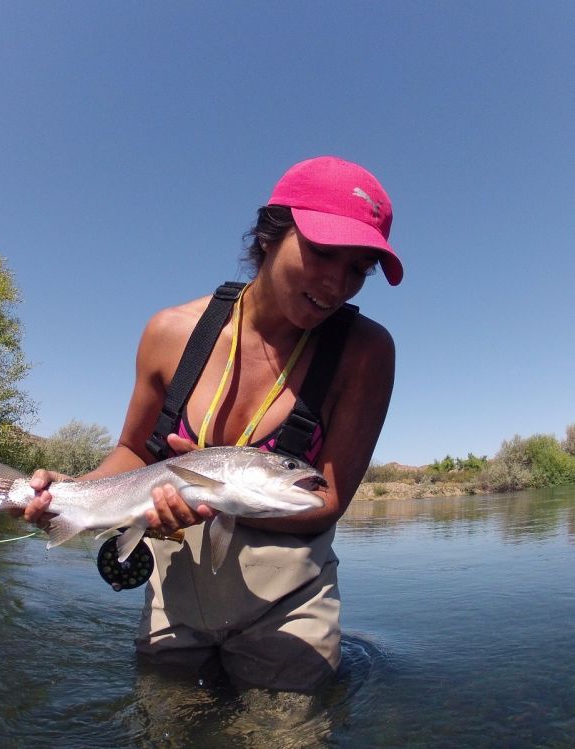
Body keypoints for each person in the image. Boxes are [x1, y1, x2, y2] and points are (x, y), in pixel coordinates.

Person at [23, 156, 403, 691]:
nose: (338, 282)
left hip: (291, 609)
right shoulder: (170, 333)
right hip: (174, 598)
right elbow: (135, 453)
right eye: (321, 252)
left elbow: (327, 501)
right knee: (166, 727)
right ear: (270, 234)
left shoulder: (365, 353)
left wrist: (215, 500)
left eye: (359, 268)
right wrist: (74, 496)